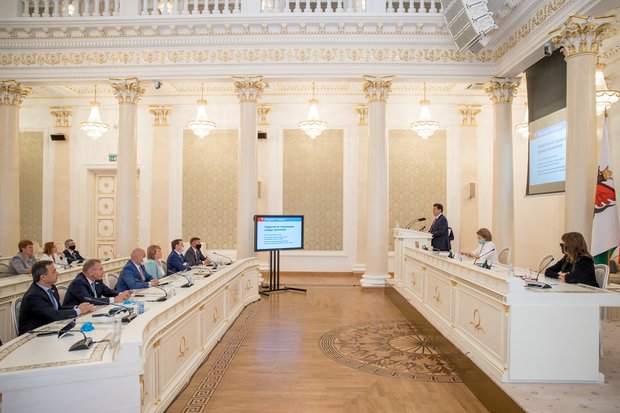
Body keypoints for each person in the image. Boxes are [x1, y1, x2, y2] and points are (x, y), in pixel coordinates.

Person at [18, 260, 95, 335]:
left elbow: (58, 309)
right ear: (43, 277)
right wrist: (79, 311)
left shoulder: (52, 287)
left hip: (51, 327)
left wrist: (77, 307)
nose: (58, 274)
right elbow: (53, 315)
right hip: (33, 333)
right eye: (54, 272)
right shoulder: (33, 296)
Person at [63, 259, 131, 307]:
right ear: (90, 272)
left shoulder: (97, 279)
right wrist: (115, 299)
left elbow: (108, 292)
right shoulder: (78, 283)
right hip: (73, 317)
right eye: (100, 269)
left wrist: (121, 294)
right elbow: (90, 300)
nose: (103, 272)